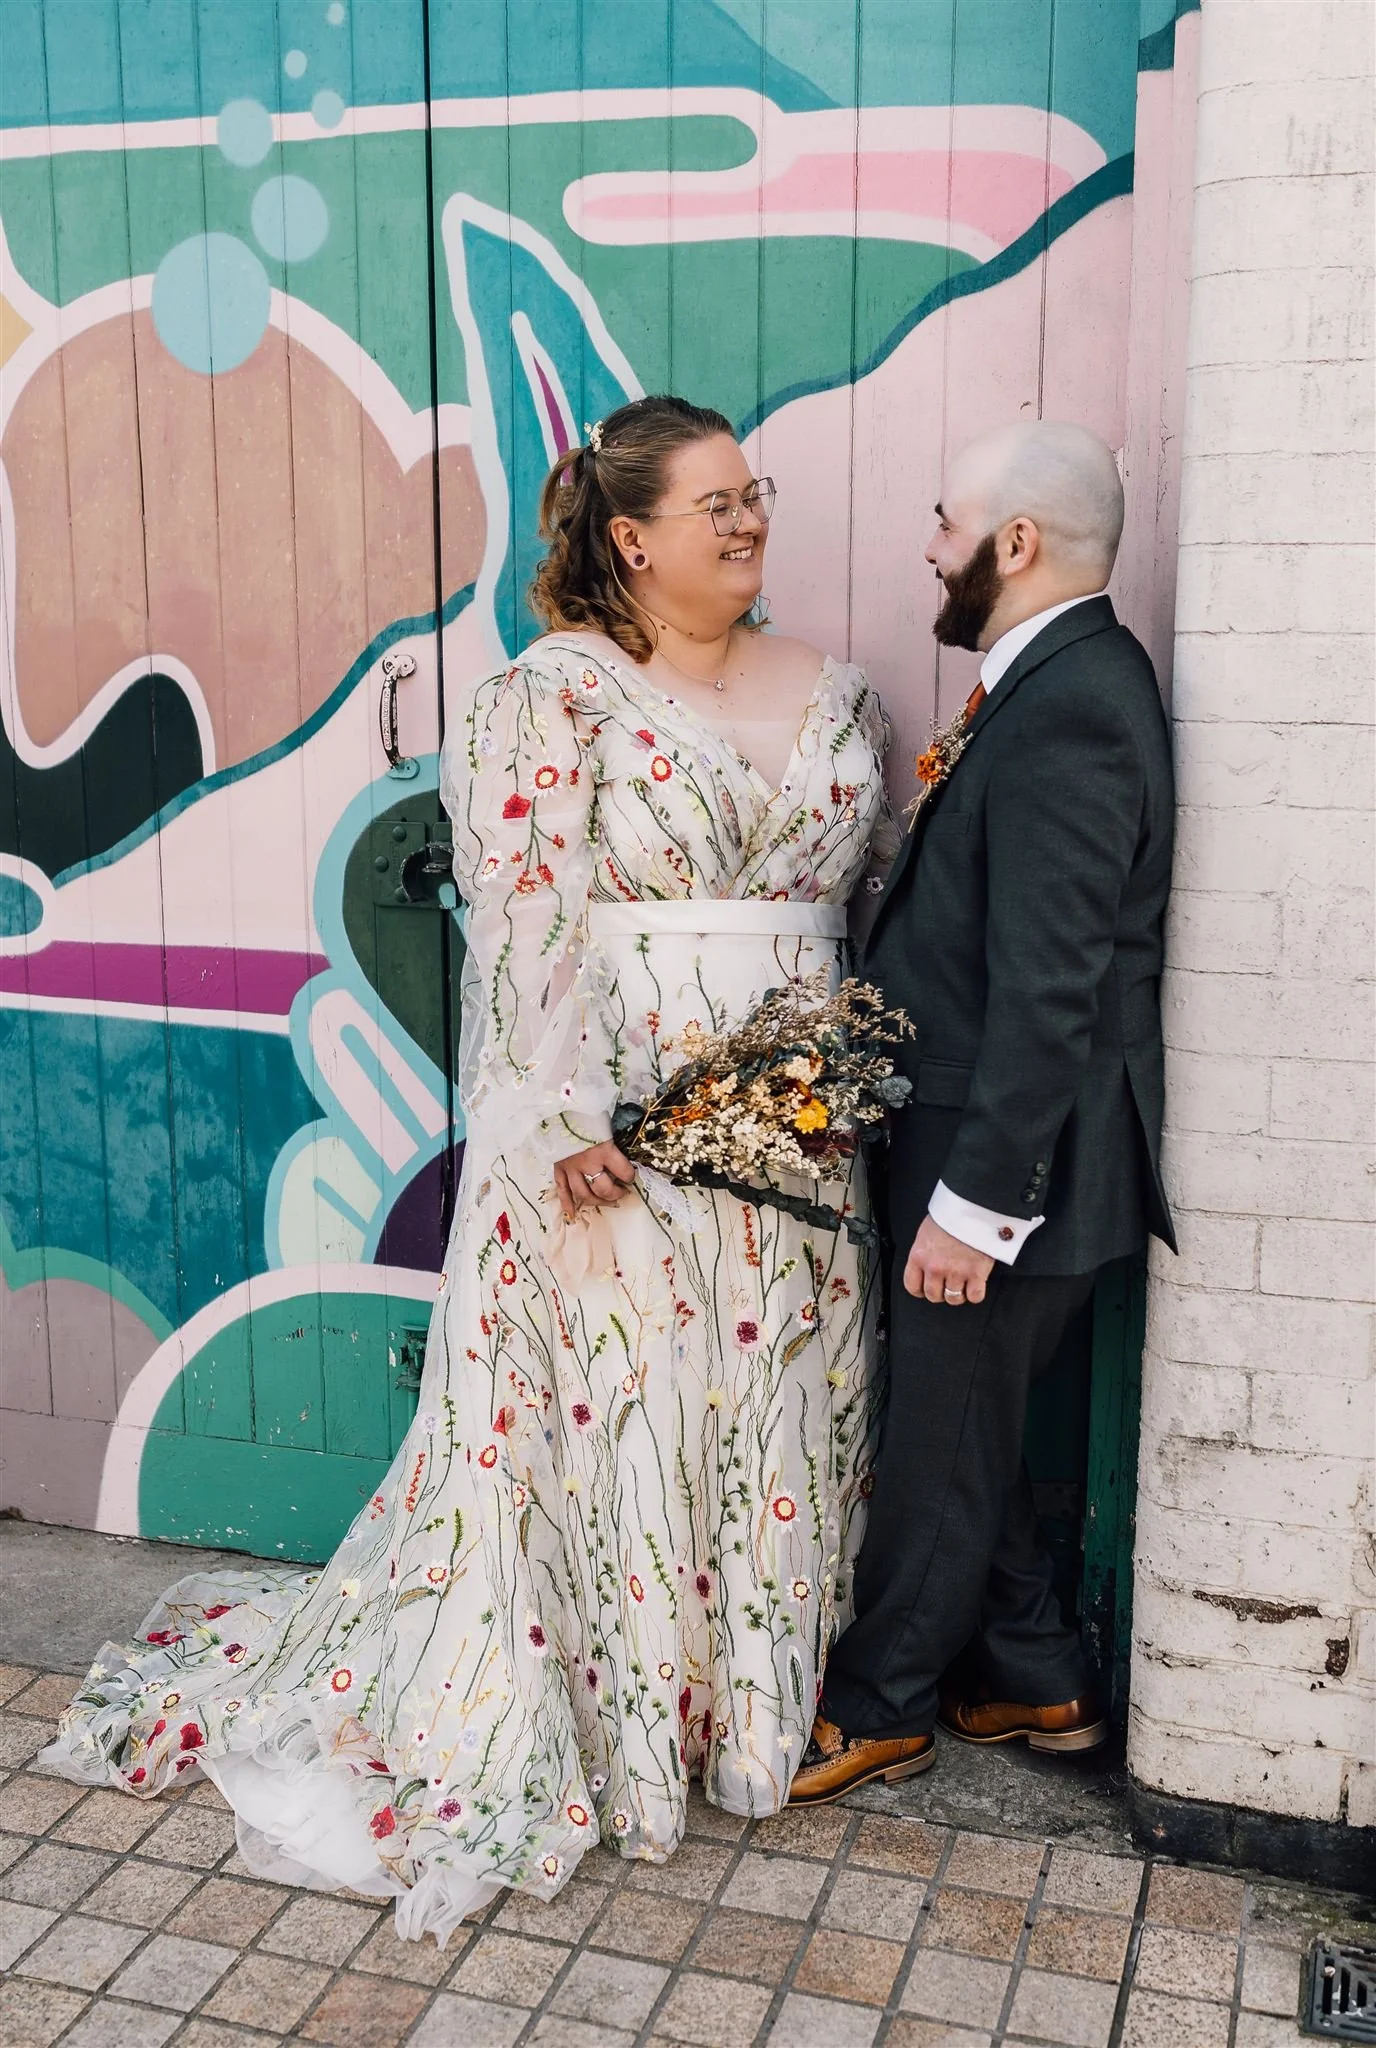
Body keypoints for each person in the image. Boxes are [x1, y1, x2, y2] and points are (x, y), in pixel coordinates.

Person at [44, 396, 895, 1941]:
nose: (748, 518)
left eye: (752, 493)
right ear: (631, 538)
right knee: (627, 1422)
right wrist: (565, 1125)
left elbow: (868, 908)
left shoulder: (838, 695)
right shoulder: (549, 699)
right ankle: (618, 1737)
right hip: (609, 1148)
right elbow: (523, 924)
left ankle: (742, 1717)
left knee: (762, 1400)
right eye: (714, 502)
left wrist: (826, 1090)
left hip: (793, 1148)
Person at [788, 420, 1175, 1805]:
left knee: (940, 1436)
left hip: (1018, 1166)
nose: (929, 548)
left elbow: (1051, 988)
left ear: (1016, 545)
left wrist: (978, 1202)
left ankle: (879, 1701)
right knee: (975, 1426)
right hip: (992, 1146)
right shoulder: (1056, 681)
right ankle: (1032, 1671)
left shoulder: (1072, 698)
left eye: (945, 522)